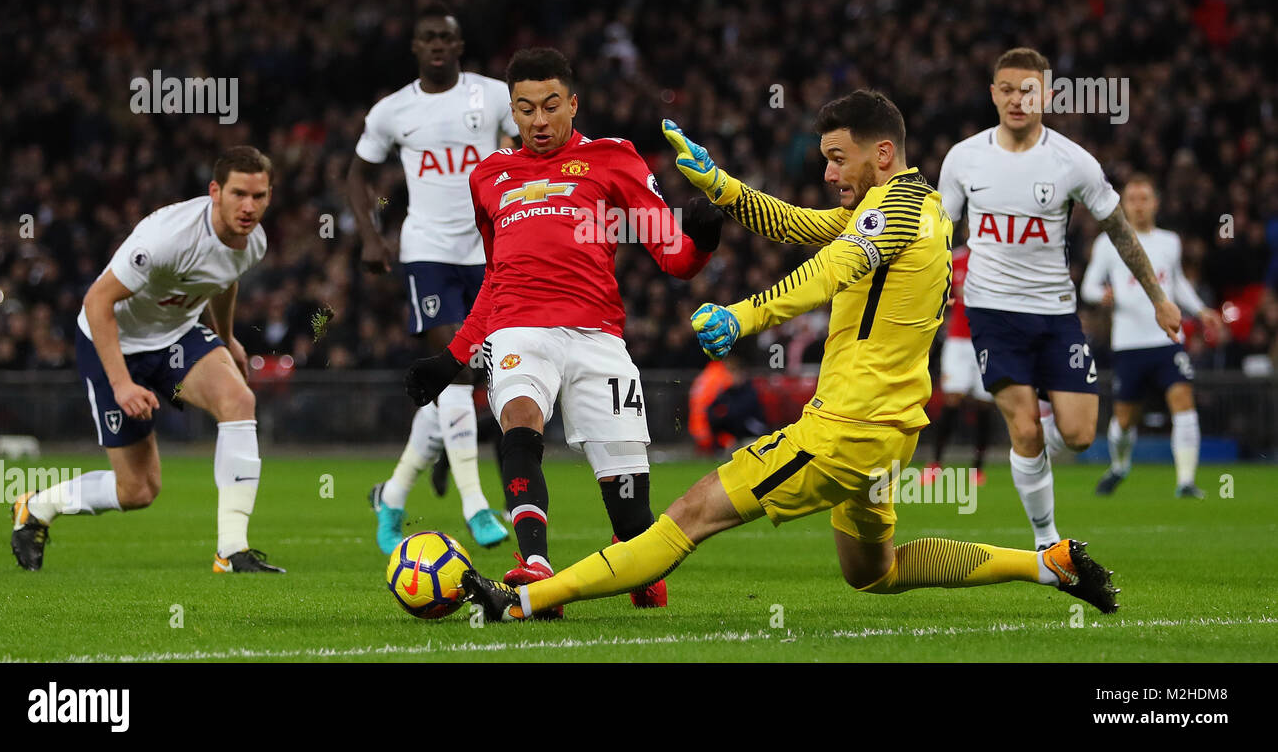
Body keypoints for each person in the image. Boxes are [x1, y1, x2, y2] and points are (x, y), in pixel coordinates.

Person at [461, 92, 1119, 622]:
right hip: (889, 437)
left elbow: (830, 267)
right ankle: (1048, 563)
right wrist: (720, 185)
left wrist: (743, 314)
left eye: (838, 158)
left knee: (689, 515)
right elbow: (799, 224)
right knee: (876, 572)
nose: (827, 172)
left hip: (844, 432)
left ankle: (523, 600)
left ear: (882, 154)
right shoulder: (914, 206)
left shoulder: (894, 215)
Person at [404, 47, 723, 615]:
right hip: (519, 330)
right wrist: (452, 358)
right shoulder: (490, 177)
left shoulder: (612, 160)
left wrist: (701, 242)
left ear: (574, 104)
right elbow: (496, 279)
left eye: (551, 106)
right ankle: (535, 565)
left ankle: (636, 561)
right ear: (512, 112)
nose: (539, 121)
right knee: (519, 418)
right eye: (525, 109)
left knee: (632, 517)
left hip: (598, 337)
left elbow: (673, 257)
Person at [938, 47, 1180, 550]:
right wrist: (933, 292)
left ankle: (1034, 444)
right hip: (991, 311)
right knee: (1023, 430)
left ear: (1045, 95)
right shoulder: (963, 158)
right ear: (993, 94)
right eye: (1006, 89)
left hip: (1055, 316)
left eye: (1028, 90)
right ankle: (1048, 544)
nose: (1017, 99)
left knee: (1078, 435)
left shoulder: (1074, 163)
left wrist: (1159, 297)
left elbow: (1118, 230)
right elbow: (938, 235)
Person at [11, 146, 283, 574]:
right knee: (137, 490)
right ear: (215, 191)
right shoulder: (167, 239)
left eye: (259, 196)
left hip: (176, 334)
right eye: (238, 194)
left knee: (239, 401)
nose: (249, 207)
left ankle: (232, 550)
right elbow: (98, 301)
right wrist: (121, 383)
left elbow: (224, 280)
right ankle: (38, 506)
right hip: (113, 340)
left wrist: (227, 338)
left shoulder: (254, 243)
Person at [349, 1, 514, 554]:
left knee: (461, 386)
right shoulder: (393, 111)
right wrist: (371, 234)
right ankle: (475, 505)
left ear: (459, 45)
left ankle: (392, 497)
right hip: (428, 250)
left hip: (489, 251)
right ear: (415, 46)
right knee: (458, 373)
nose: (438, 44)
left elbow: (526, 149)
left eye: (446, 36)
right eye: (428, 37)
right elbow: (359, 172)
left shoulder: (492, 96)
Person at [1079, 174, 1224, 497]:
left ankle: (1185, 481)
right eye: (1132, 199)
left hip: (1167, 339)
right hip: (1128, 343)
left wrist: (1200, 311)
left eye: (1145, 198)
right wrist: (1100, 295)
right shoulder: (1107, 243)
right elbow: (1087, 286)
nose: (1139, 205)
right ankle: (1120, 466)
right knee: (1125, 420)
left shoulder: (1169, 242)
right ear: (1123, 204)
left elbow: (1177, 284)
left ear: (1156, 203)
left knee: (1182, 401)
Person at [924, 242, 995, 486]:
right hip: (958, 341)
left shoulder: (998, 260)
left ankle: (977, 468)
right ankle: (935, 464)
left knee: (984, 404)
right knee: (951, 399)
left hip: (988, 341)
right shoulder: (955, 259)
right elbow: (939, 291)